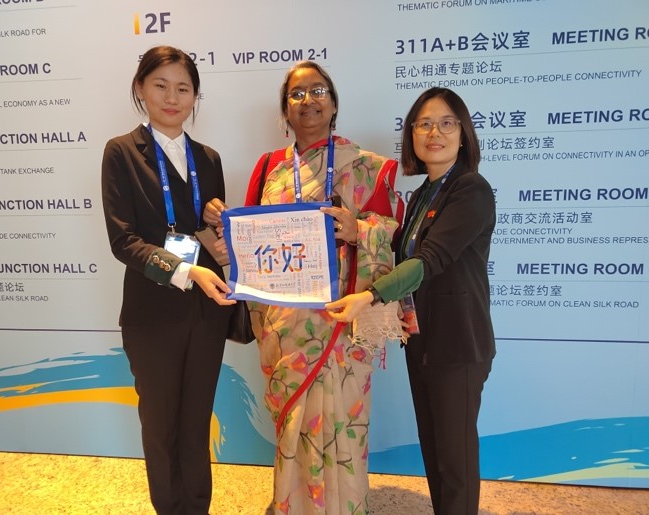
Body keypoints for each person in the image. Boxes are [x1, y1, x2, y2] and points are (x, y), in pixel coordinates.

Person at [204, 61, 402, 514]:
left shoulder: (368, 168)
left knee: (342, 423)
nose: (308, 101)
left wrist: (358, 229)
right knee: (294, 422)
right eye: (296, 94)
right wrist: (225, 237)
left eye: (318, 91)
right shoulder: (269, 168)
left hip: (341, 325)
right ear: (285, 110)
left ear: (333, 103)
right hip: (286, 328)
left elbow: (395, 237)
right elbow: (249, 242)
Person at [326, 87, 496, 515]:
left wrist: (369, 296)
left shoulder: (471, 189)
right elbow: (397, 249)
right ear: (412, 135)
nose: (434, 133)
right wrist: (357, 231)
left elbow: (429, 260)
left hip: (458, 343)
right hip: (421, 339)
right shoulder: (422, 194)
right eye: (424, 124)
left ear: (464, 133)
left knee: (455, 458)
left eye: (446, 123)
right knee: (434, 449)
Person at [101, 45, 235, 515]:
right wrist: (186, 269)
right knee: (160, 427)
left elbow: (207, 238)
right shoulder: (121, 152)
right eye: (160, 85)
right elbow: (123, 240)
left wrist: (219, 228)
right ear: (141, 88)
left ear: (196, 95)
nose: (172, 97)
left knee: (197, 423)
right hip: (152, 314)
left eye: (183, 88)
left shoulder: (208, 159)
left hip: (205, 312)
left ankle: (197, 506)